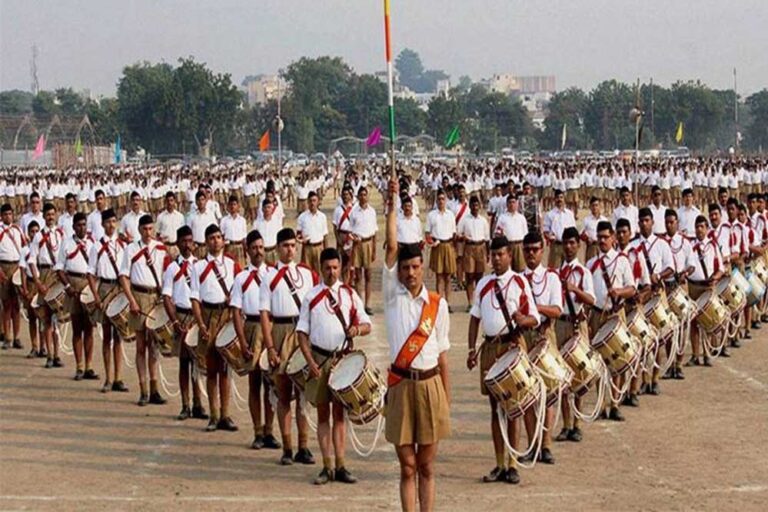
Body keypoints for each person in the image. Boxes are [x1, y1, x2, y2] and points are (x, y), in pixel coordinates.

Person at [383, 175, 450, 512]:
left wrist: (446, 397)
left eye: (415, 267)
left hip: (430, 386)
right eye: (405, 268)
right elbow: (392, 243)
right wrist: (392, 202)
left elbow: (442, 355)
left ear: (423, 268)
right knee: (406, 465)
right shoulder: (392, 296)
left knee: (426, 466)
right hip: (401, 387)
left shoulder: (438, 305)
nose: (410, 272)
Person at [296, 247, 372, 485]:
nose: (331, 272)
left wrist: (356, 329)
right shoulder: (311, 296)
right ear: (321, 268)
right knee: (322, 415)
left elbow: (367, 324)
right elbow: (301, 333)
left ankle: (341, 465)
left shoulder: (349, 294)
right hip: (319, 359)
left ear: (341, 268)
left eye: (335, 267)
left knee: (340, 416)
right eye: (327, 268)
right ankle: (326, 466)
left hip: (342, 361)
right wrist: (310, 362)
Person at [467, 236, 539, 485]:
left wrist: (523, 320)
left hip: (512, 346)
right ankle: (499, 463)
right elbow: (475, 318)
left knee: (514, 408)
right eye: (493, 255)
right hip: (489, 348)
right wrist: (470, 349)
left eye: (501, 255)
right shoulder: (483, 284)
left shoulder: (519, 282)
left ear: (510, 255)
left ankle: (512, 464)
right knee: (494, 408)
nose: (496, 259)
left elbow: (535, 318)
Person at [259, 227, 319, 465]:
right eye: (285, 246)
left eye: (293, 245)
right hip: (280, 330)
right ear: (277, 248)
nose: (290, 250)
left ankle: (303, 446)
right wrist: (271, 347)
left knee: (303, 391)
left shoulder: (307, 274)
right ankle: (287, 447)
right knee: (283, 392)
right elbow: (264, 314)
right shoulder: (269, 277)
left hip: (302, 332)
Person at [230, 229, 279, 449]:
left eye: (261, 247)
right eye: (254, 248)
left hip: (270, 326)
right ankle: (257, 431)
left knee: (271, 383)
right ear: (247, 250)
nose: (258, 251)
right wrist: (242, 341)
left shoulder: (274, 274)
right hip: (250, 326)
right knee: (254, 382)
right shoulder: (241, 278)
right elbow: (236, 311)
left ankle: (270, 431)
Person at [190, 224, 241, 432]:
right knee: (211, 368)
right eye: (211, 238)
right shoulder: (198, 267)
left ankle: (225, 414)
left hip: (227, 315)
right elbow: (194, 298)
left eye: (219, 237)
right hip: (208, 315)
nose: (216, 241)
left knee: (226, 368)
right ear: (206, 241)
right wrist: (201, 323)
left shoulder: (232, 265)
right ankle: (213, 413)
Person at [586, 221, 637, 421]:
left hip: (616, 313)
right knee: (599, 361)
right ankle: (600, 403)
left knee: (619, 358)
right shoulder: (591, 264)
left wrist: (619, 291)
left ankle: (614, 402)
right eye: (599, 238)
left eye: (606, 237)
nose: (602, 241)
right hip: (598, 314)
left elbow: (632, 288)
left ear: (613, 238)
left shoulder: (622, 260)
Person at [521, 231, 563, 464]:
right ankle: (532, 443)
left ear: (543, 250)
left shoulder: (552, 278)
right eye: (527, 250)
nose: (531, 254)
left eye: (535, 250)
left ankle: (546, 444)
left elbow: (557, 309)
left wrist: (536, 308)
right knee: (527, 393)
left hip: (545, 334)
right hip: (524, 336)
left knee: (549, 392)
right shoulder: (518, 279)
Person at [119, 214, 169, 406]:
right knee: (140, 346)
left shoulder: (161, 249)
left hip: (155, 297)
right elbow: (124, 276)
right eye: (145, 229)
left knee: (154, 345)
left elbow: (167, 275)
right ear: (139, 230)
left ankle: (155, 388)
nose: (148, 232)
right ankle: (143, 390)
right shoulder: (131, 249)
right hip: (138, 296)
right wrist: (131, 300)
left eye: (150, 229)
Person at [161, 225, 207, 420]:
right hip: (181, 315)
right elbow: (166, 297)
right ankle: (185, 404)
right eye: (184, 242)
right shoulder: (172, 268)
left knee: (198, 361)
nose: (188, 245)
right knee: (183, 363)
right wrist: (174, 321)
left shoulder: (201, 266)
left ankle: (198, 404)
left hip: (197, 316)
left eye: (190, 241)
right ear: (178, 244)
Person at [555, 227, 595, 442]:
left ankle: (577, 423)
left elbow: (591, 299)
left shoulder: (583, 272)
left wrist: (574, 289)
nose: (569, 247)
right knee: (562, 377)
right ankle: (566, 423)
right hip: (560, 324)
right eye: (566, 243)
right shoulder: (555, 272)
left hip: (578, 323)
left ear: (578, 245)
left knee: (579, 374)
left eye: (572, 243)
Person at [86, 208, 128, 393]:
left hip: (119, 288)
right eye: (108, 222)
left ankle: (118, 377)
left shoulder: (123, 246)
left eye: (113, 221)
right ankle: (108, 377)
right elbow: (90, 273)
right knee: (107, 335)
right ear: (102, 225)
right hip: (104, 287)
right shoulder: (96, 246)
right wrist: (96, 297)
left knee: (119, 335)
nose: (111, 225)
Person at [56, 212, 97, 381]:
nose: (82, 228)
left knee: (89, 328)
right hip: (73, 283)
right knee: (76, 328)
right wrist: (67, 286)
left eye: (84, 225)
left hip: (88, 285)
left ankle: (89, 366)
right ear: (73, 227)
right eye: (79, 225)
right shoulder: (66, 244)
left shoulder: (93, 244)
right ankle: (79, 365)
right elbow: (59, 268)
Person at [29, 203, 64, 367]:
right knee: (47, 318)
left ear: (56, 215)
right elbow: (31, 261)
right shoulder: (38, 237)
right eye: (48, 214)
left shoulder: (61, 234)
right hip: (44, 274)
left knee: (58, 317)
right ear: (43, 217)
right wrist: (37, 282)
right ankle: (49, 355)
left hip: (58, 275)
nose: (50, 217)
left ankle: (57, 355)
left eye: (52, 214)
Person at [686, 216, 723, 366]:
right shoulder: (690, 246)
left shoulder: (713, 246)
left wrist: (715, 278)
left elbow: (720, 267)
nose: (699, 230)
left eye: (702, 226)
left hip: (708, 286)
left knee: (709, 320)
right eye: (697, 227)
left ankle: (708, 353)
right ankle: (695, 355)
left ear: (707, 228)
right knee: (694, 322)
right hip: (694, 286)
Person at [426, 189, 457, 310]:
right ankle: (440, 303)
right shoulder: (431, 215)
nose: (441, 201)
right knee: (439, 277)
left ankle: (447, 302)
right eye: (439, 199)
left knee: (448, 276)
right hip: (437, 246)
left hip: (448, 245)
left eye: (443, 199)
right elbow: (427, 233)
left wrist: (453, 248)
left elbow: (454, 233)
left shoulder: (450, 215)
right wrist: (432, 242)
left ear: (446, 200)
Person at [457, 196, 490, 312]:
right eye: (473, 205)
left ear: (479, 206)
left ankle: (478, 302)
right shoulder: (465, 219)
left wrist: (488, 253)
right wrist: (463, 237)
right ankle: (470, 302)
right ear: (470, 206)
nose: (475, 207)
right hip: (469, 247)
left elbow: (487, 238)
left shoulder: (483, 220)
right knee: (470, 276)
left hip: (481, 247)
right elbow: (458, 234)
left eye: (477, 205)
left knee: (480, 277)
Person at [348, 187, 378, 315]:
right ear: (358, 196)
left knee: (368, 275)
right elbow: (350, 231)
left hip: (368, 243)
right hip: (357, 244)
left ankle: (368, 303)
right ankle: (360, 303)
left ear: (367, 196)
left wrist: (374, 249)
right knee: (358, 276)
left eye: (365, 195)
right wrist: (353, 239)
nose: (363, 197)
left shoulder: (372, 211)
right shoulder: (354, 212)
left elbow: (375, 232)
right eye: (361, 195)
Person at [0, 203, 25, 349]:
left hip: (16, 266)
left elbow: (23, 248)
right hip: (3, 266)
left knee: (16, 304)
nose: (8, 216)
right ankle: (7, 336)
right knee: (6, 304)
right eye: (5, 214)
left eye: (10, 214)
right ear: (2, 216)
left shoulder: (18, 230)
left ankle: (16, 336)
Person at [18, 220, 42, 357]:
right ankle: (34, 346)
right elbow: (22, 269)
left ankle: (44, 347)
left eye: (36, 231)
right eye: (32, 232)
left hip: (42, 283)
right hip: (31, 282)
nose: (34, 234)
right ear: (28, 234)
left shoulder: (44, 246)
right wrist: (25, 288)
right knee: (32, 318)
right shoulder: (25, 250)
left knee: (44, 318)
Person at [296, 191, 329, 275]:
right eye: (310, 201)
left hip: (319, 248)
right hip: (307, 248)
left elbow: (325, 235)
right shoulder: (302, 217)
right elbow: (298, 234)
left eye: (314, 201)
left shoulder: (322, 217)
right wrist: (300, 240)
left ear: (318, 202)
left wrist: (326, 251)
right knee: (306, 273)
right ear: (307, 202)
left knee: (319, 273)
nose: (312, 203)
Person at [493, 195, 528, 272]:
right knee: (507, 270)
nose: (512, 204)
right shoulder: (502, 218)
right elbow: (497, 233)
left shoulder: (521, 218)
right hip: (508, 245)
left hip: (519, 246)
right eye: (510, 202)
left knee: (520, 270)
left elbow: (525, 234)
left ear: (517, 204)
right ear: (507, 204)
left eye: (513, 202)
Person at [543, 189, 576, 268]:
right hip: (556, 246)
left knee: (569, 269)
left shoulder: (570, 214)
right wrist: (549, 237)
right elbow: (545, 231)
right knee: (554, 270)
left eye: (561, 197)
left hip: (568, 245)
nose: (559, 199)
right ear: (554, 199)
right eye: (557, 197)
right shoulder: (550, 214)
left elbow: (574, 230)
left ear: (564, 199)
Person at [220, 195, 248, 268]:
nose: (233, 206)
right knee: (229, 268)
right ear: (228, 206)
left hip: (239, 247)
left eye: (234, 204)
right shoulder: (224, 220)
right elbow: (222, 237)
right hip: (229, 247)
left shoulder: (242, 220)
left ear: (238, 206)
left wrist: (245, 252)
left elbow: (244, 238)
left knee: (240, 268)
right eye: (231, 204)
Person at [156, 191, 185, 260]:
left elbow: (183, 233)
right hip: (166, 247)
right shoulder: (160, 217)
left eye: (171, 200)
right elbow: (157, 233)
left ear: (174, 201)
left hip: (177, 247)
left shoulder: (180, 216)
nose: (170, 203)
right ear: (165, 202)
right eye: (168, 201)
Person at [581, 196, 607, 263]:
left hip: (603, 246)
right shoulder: (586, 220)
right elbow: (581, 233)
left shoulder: (604, 220)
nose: (595, 207)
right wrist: (587, 239)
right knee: (591, 266)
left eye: (596, 205)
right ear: (590, 207)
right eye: (593, 205)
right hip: (592, 247)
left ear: (600, 206)